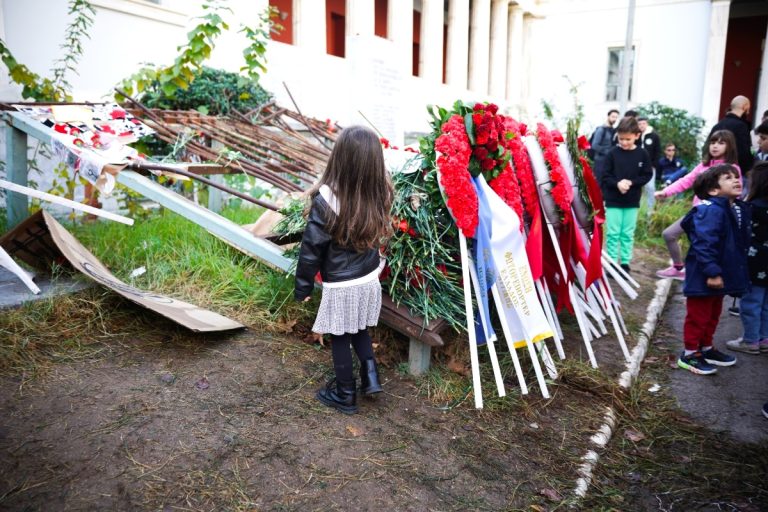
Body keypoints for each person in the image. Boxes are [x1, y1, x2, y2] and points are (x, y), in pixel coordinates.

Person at [294, 126, 394, 415]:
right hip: (369, 277)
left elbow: (311, 249)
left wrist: (303, 286)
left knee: (340, 335)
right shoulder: (380, 191)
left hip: (341, 284)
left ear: (339, 157)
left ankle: (345, 393)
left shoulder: (327, 198)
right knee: (359, 327)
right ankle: (371, 378)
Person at [677, 164, 749, 375]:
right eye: (728, 178)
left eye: (736, 176)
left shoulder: (731, 208)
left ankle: (706, 348)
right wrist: (712, 272)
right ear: (713, 190)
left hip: (719, 274)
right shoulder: (710, 210)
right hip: (705, 275)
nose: (736, 180)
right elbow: (704, 243)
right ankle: (690, 353)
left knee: (713, 314)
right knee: (698, 315)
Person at [654, 130, 741, 280]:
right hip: (697, 212)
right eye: (713, 142)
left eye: (721, 143)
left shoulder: (732, 169)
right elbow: (686, 180)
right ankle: (678, 268)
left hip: (716, 217)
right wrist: (666, 192)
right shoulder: (704, 166)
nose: (715, 146)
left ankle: (706, 275)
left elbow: (736, 193)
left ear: (730, 146)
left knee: (703, 246)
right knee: (669, 234)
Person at [600, 116, 653, 273]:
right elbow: (605, 175)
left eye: (628, 139)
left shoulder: (642, 154)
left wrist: (631, 182)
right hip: (613, 200)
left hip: (632, 201)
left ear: (637, 135)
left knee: (627, 233)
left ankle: (624, 262)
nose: (624, 142)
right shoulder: (612, 154)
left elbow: (647, 175)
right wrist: (617, 184)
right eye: (621, 139)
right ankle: (611, 262)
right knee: (613, 233)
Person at [727, 161, 768, 355]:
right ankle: (764, 338)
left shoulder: (750, 207)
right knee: (766, 304)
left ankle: (750, 340)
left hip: (754, 262)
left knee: (751, 302)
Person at [709, 95, 754, 174]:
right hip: (735, 171)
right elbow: (744, 152)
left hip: (714, 169)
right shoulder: (741, 126)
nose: (748, 112)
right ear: (744, 107)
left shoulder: (717, 125)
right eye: (748, 109)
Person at [638, 116, 661, 211]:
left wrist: (654, 165)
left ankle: (650, 210)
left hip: (650, 166)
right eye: (639, 124)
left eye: (643, 123)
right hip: (637, 166)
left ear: (647, 124)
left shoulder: (654, 136)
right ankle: (638, 209)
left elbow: (657, 151)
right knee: (638, 187)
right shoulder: (636, 136)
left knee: (650, 187)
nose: (641, 126)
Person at [589, 109, 619, 179]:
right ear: (608, 116)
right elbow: (594, 145)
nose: (614, 119)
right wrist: (608, 152)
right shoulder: (601, 129)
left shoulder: (613, 130)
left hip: (609, 160)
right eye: (613, 116)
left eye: (616, 117)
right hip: (600, 160)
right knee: (599, 181)